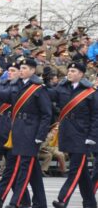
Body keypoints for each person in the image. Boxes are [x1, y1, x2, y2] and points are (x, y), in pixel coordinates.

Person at [0, 58, 51, 208]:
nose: (21, 70)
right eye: (21, 68)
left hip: (31, 132)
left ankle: (16, 202)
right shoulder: (18, 85)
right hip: (17, 131)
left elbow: (46, 114)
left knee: (24, 169)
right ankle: (39, 202)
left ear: (33, 70)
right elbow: (5, 97)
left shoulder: (39, 88)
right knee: (31, 171)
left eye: (24, 68)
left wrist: (41, 135)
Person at [49, 62, 98, 208]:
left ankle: (62, 199)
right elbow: (50, 95)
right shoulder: (62, 87)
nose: (69, 73)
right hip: (67, 133)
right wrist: (44, 83)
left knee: (75, 169)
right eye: (69, 70)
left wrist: (92, 137)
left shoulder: (90, 92)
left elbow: (96, 116)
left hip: (82, 135)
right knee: (82, 173)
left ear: (81, 74)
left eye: (73, 70)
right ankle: (90, 203)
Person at [0, 62, 31, 208]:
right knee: (14, 170)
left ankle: (0, 197)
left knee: (11, 168)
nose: (9, 72)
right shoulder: (3, 84)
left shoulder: (19, 87)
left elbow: (6, 96)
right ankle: (24, 201)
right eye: (9, 70)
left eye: (13, 70)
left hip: (14, 130)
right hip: (2, 130)